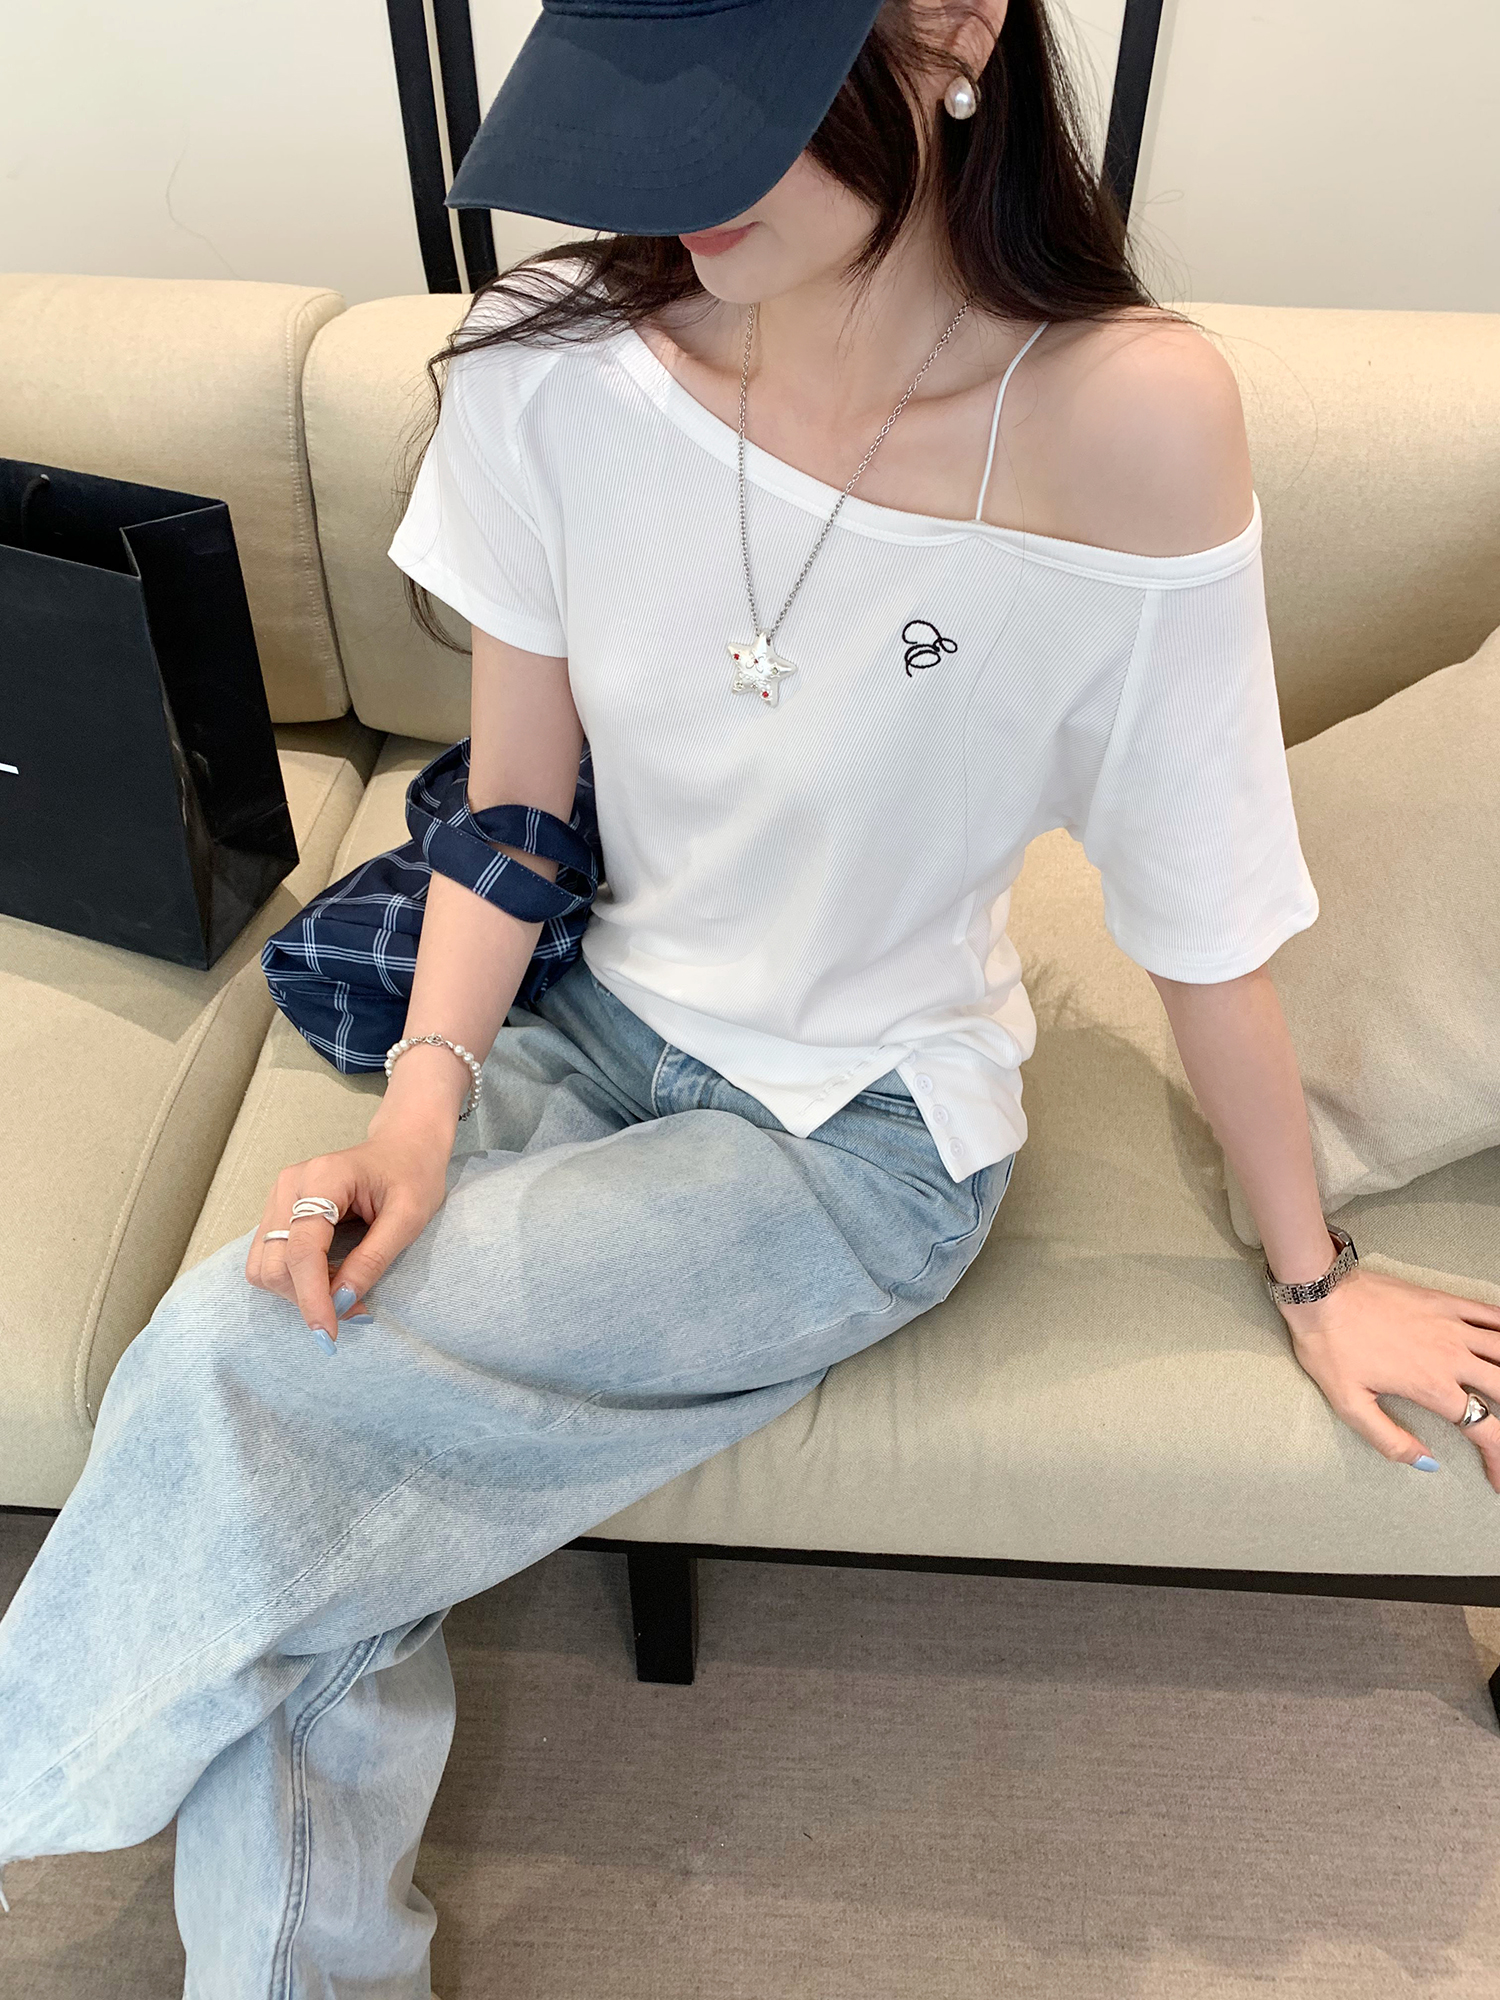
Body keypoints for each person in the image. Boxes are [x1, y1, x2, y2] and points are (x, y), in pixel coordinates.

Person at [4, 0, 1500, 1990]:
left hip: (856, 1139)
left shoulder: (1129, 420)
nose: (663, 192)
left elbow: (1204, 909)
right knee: (318, 1427)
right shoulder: (549, 365)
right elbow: (517, 810)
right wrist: (424, 1109)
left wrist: (1318, 1278)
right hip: (581, 1027)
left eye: (722, 116)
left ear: (950, 27)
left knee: (246, 1366)